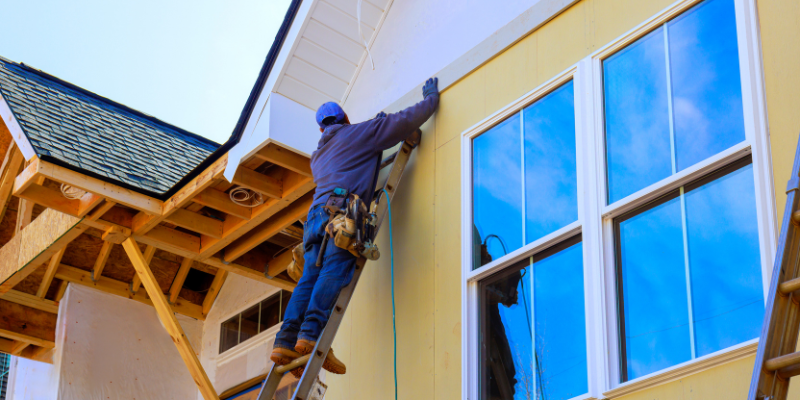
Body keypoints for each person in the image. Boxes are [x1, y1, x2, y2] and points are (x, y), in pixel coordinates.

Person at [270, 78, 440, 377]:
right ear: (346, 118)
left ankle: (285, 341)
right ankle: (311, 336)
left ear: (321, 129)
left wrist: (372, 127)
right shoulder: (358, 134)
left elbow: (348, 148)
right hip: (341, 216)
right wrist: (429, 99)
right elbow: (405, 122)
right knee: (334, 272)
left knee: (309, 277)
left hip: (315, 219)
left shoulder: (318, 156)